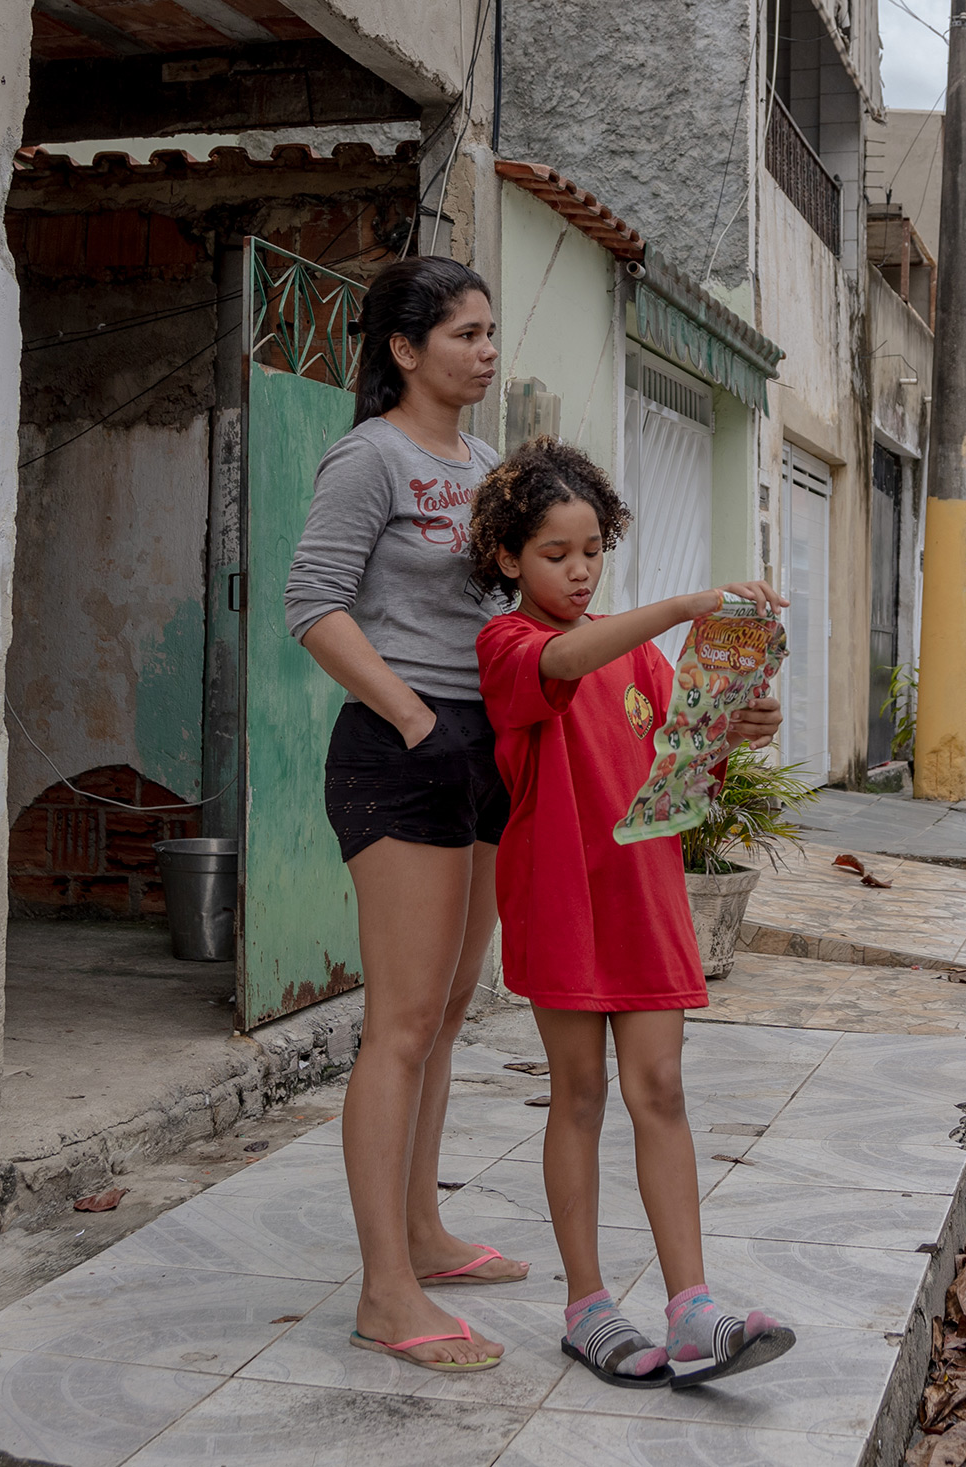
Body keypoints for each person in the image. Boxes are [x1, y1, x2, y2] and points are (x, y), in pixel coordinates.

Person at [468, 437, 797, 1388]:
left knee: (662, 1092)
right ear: (507, 561)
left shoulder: (645, 662)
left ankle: (693, 1310)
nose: (577, 572)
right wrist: (685, 605)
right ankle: (587, 1307)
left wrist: (734, 723)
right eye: (553, 555)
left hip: (646, 899)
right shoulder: (510, 647)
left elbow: (682, 776)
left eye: (590, 552)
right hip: (562, 898)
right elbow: (565, 657)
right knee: (577, 1096)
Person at [283, 256, 524, 1374]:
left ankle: (425, 1233)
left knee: (452, 1006)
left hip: (483, 750)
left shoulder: (483, 466)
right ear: (403, 350)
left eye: (488, 333)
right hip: (401, 750)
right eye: (464, 334)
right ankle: (385, 1288)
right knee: (401, 1025)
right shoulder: (368, 456)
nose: (484, 351)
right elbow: (313, 606)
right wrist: (417, 721)